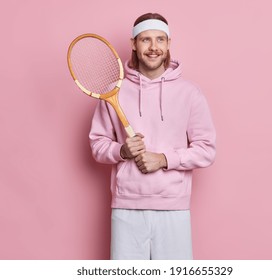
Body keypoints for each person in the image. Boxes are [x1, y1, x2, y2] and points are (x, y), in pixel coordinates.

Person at [89, 12, 216, 260]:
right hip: (126, 208)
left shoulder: (190, 93)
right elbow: (97, 144)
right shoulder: (114, 92)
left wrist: (164, 159)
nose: (153, 47)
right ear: (134, 44)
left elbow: (207, 149)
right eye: (145, 40)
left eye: (160, 40)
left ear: (169, 44)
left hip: (174, 209)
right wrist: (121, 151)